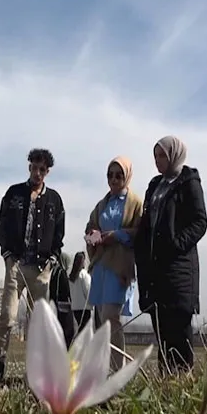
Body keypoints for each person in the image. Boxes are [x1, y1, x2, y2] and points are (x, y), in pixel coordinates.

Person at [0, 148, 66, 385]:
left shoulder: (54, 200)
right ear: (29, 167)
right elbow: (2, 224)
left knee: (38, 323)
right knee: (8, 315)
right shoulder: (14, 193)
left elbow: (59, 233)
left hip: (41, 268)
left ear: (48, 172)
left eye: (42, 170)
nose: (37, 173)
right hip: (16, 264)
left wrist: (52, 260)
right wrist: (6, 255)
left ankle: (34, 372)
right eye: (34, 167)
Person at [135, 136, 207, 375]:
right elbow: (147, 225)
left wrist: (176, 244)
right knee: (162, 329)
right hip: (156, 271)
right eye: (155, 156)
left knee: (179, 327)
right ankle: (166, 384)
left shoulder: (189, 182)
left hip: (179, 269)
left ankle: (184, 383)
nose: (157, 161)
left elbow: (200, 222)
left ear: (174, 155)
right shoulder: (155, 185)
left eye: (162, 156)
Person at [85, 156, 143, 371]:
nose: (114, 179)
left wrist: (117, 235)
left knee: (112, 317)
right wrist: (93, 236)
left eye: (119, 175)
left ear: (127, 176)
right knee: (102, 320)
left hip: (120, 266)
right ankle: (104, 368)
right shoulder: (102, 204)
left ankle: (118, 369)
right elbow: (90, 226)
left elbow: (140, 232)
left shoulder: (135, 203)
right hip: (101, 265)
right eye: (110, 175)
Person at [68, 252, 92, 333]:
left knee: (80, 329)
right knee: (85, 331)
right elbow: (88, 291)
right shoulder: (84, 275)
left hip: (75, 307)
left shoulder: (71, 276)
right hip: (84, 308)